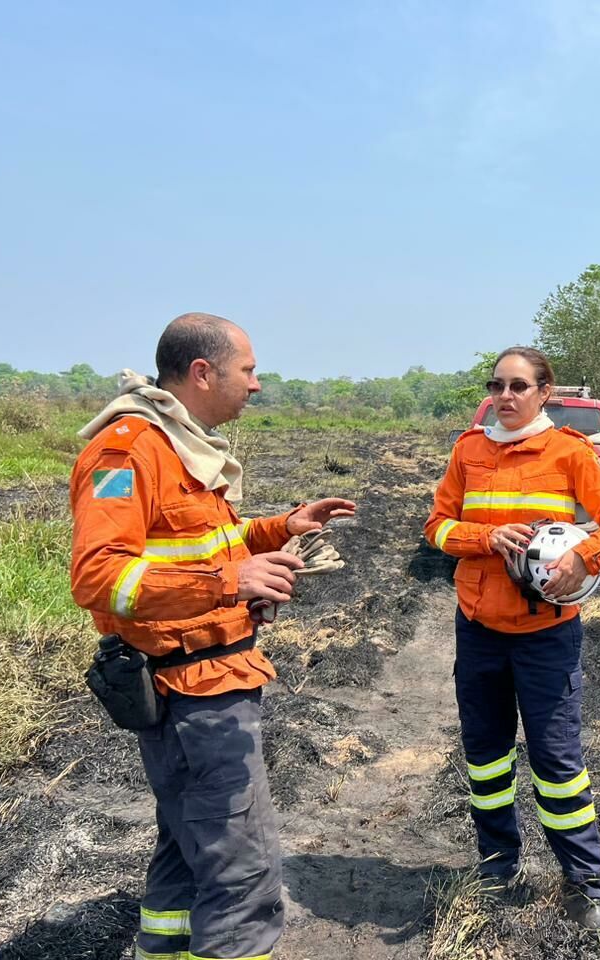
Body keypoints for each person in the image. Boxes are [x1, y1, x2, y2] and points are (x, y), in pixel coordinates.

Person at [69, 313, 355, 960]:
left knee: (183, 854)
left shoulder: (179, 443)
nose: (256, 385)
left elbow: (204, 544)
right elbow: (97, 576)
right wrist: (230, 582)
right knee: (241, 880)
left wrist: (282, 527)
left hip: (208, 684)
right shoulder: (128, 450)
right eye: (248, 370)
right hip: (191, 696)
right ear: (203, 372)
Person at [424, 346, 600, 934]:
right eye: (498, 385)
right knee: (487, 758)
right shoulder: (469, 451)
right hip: (479, 631)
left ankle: (585, 882)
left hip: (545, 636)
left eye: (520, 386)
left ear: (545, 392)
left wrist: (586, 557)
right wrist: (486, 538)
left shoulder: (569, 452)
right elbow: (437, 527)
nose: (506, 396)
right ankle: (497, 867)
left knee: (557, 761)